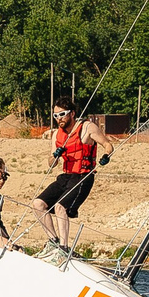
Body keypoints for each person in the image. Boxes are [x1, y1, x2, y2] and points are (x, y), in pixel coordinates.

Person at [32, 104, 110, 255]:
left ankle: (64, 247)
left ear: (72, 113)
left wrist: (106, 156)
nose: (59, 119)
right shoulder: (56, 135)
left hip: (83, 176)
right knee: (37, 204)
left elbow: (108, 145)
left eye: (62, 114)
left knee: (60, 207)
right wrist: (56, 155)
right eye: (55, 116)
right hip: (65, 176)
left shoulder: (87, 128)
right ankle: (53, 241)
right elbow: (51, 164)